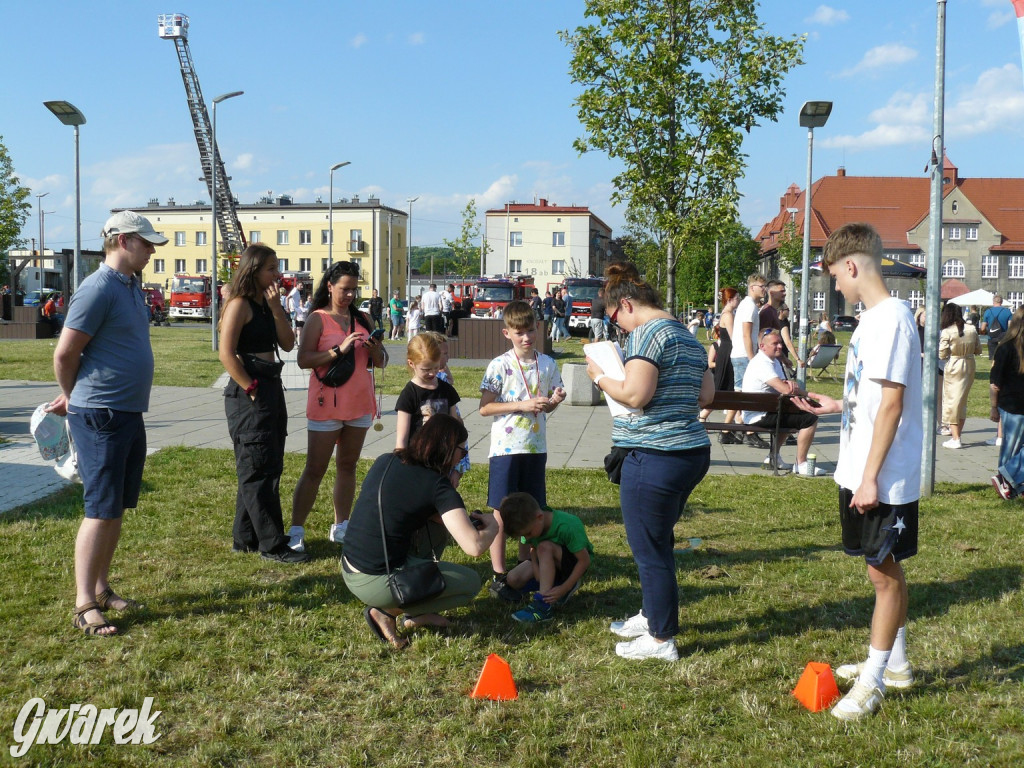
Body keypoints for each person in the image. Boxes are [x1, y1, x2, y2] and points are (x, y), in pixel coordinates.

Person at [794, 222, 922, 721]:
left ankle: (874, 680)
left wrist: (870, 477)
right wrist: (839, 404)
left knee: (883, 573)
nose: (837, 288)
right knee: (880, 571)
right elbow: (871, 396)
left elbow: (892, 404)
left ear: (851, 265)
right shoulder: (872, 320)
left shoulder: (891, 319)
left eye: (835, 278)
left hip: (882, 475)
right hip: (860, 467)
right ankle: (897, 663)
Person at [586, 262, 714, 661]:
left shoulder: (646, 334)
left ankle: (661, 639)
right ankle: (651, 613)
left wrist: (599, 376)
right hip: (690, 451)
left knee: (649, 547)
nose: (617, 329)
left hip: (655, 455)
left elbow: (636, 394)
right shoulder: (688, 337)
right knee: (658, 538)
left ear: (626, 304)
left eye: (613, 319)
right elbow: (706, 396)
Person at [49, 210, 168, 636]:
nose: (153, 249)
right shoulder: (97, 288)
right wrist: (72, 395)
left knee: (114, 506)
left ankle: (100, 589)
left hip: (126, 412)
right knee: (99, 510)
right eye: (146, 241)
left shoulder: (131, 285)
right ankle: (84, 603)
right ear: (121, 240)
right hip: (100, 413)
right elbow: (65, 354)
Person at [342, 415, 499, 648]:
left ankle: (415, 614)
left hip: (349, 567)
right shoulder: (437, 486)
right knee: (470, 583)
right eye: (462, 452)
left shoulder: (386, 460)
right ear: (447, 450)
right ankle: (385, 611)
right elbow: (474, 547)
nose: (462, 459)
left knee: (435, 528)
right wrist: (494, 525)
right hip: (376, 582)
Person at [287, 260, 387, 551]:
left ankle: (341, 525)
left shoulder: (363, 319)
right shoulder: (318, 318)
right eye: (344, 289)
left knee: (348, 465)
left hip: (359, 402)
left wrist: (375, 350)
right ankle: (296, 529)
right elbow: (304, 359)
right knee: (315, 468)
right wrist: (337, 350)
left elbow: (380, 363)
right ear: (329, 286)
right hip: (326, 403)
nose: (349, 296)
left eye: (354, 290)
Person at [218, 244, 306, 563]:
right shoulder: (239, 304)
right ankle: (272, 544)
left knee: (265, 462)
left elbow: (287, 343)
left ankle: (245, 538)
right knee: (257, 467)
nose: (277, 274)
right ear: (253, 269)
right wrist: (250, 386)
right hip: (250, 389)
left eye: (277, 267)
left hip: (270, 384)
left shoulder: (267, 303)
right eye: (271, 268)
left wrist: (278, 308)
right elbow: (226, 353)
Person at [479, 300, 565, 601]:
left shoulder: (548, 364)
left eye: (530, 331)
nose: (526, 338)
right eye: (519, 333)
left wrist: (554, 400)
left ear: (537, 328)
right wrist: (523, 405)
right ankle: (499, 573)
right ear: (507, 333)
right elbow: (485, 408)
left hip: (535, 447)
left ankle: (525, 566)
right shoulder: (499, 365)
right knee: (502, 513)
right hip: (505, 448)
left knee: (531, 511)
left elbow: (550, 405)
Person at [499, 492, 593, 623]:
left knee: (544, 547)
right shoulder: (531, 526)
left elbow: (584, 561)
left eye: (528, 533)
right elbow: (532, 548)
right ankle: (550, 586)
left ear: (540, 517)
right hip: (545, 559)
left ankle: (543, 606)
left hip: (571, 565)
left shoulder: (567, 526)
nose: (526, 538)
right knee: (513, 578)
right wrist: (537, 571)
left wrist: (565, 587)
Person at [741, 330, 824, 475]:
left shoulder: (772, 361)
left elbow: (787, 387)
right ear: (762, 346)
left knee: (789, 416)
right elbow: (786, 390)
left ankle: (773, 457)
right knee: (810, 419)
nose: (780, 346)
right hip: (757, 416)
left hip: (766, 411)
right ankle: (801, 463)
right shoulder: (762, 363)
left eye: (780, 343)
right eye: (775, 343)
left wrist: (807, 393)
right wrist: (805, 393)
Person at [989, 307, 1024, 499]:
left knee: (1012, 447)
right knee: (1012, 447)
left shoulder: (1005, 347)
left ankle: (1008, 480)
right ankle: (1007, 482)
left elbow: (995, 382)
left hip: (1011, 403)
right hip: (1012, 405)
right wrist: (994, 407)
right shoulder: (1008, 347)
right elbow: (995, 382)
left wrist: (994, 406)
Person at [938, 302, 981, 449]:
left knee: (951, 400)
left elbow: (942, 354)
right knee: (962, 400)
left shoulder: (947, 331)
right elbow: (978, 349)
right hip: (969, 364)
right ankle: (958, 435)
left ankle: (955, 438)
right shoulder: (971, 329)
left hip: (955, 365)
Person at [730, 275, 766, 428]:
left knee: (742, 391)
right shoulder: (749, 306)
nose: (765, 290)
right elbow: (746, 334)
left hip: (742, 354)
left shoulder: (749, 305)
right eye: (762, 286)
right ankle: (739, 428)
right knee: (744, 392)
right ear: (752, 288)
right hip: (744, 355)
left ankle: (737, 424)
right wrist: (752, 358)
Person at [981, 295, 1012, 361]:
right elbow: (1010, 326)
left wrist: (986, 331)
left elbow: (983, 328)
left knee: (993, 359)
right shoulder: (1007, 311)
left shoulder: (988, 311)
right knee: (1004, 359)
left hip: (991, 337)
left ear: (993, 302)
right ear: (1002, 302)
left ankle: (993, 369)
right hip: (1004, 338)